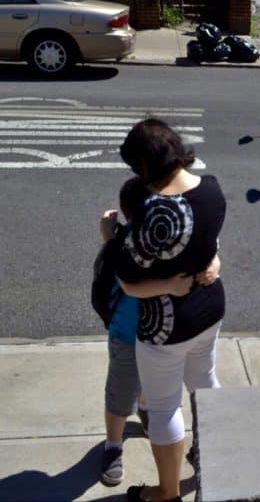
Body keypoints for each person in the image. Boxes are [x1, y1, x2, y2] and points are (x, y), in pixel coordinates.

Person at [113, 119, 227, 502]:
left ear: (145, 167)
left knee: (163, 407)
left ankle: (166, 491)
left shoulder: (155, 214)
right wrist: (214, 262)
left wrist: (108, 238)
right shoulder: (212, 191)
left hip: (166, 327)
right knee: (205, 384)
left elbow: (128, 280)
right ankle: (214, 459)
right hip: (210, 312)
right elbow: (209, 242)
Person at [95, 176, 150, 486]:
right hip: (127, 335)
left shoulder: (167, 241)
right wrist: (110, 241)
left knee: (149, 386)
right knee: (119, 395)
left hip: (157, 336)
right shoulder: (124, 246)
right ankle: (113, 445)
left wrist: (109, 239)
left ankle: (145, 410)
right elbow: (122, 276)